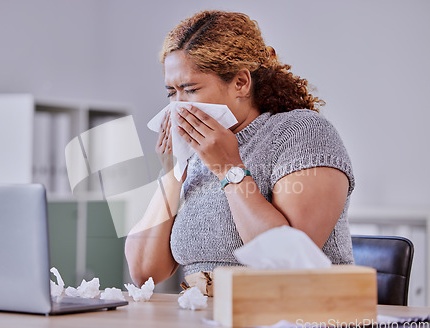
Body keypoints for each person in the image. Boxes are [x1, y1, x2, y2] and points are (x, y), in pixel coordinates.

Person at [125, 10, 355, 293]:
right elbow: (143, 273)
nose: (178, 107)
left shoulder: (303, 133)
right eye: (172, 93)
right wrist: (172, 173)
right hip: (207, 318)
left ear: (241, 83)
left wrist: (227, 169)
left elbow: (287, 265)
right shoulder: (198, 153)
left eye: (190, 89)